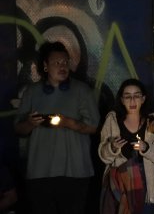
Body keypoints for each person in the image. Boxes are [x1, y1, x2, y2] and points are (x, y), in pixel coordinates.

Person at [14, 41, 100, 214]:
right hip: (40, 172)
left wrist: (68, 122)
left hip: (75, 172)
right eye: (57, 63)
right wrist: (31, 123)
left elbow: (93, 127)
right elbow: (18, 129)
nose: (62, 66)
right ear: (45, 66)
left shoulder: (82, 90)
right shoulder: (32, 92)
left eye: (65, 62)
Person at [98, 78, 154, 214]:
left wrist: (146, 148)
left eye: (136, 96)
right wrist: (112, 148)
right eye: (127, 96)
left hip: (145, 183)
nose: (132, 101)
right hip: (119, 184)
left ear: (143, 99)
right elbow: (103, 156)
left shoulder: (152, 121)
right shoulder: (112, 120)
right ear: (122, 100)